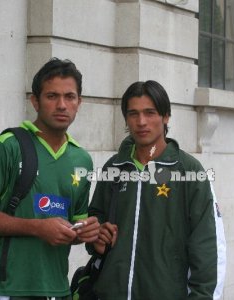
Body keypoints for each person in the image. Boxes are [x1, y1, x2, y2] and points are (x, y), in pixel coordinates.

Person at [0, 58, 100, 300]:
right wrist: (36, 228)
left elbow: (74, 228)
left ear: (79, 102)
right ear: (35, 101)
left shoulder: (82, 160)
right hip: (8, 288)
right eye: (51, 96)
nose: (62, 105)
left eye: (70, 97)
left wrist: (86, 232)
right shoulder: (6, 147)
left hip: (58, 289)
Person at [87, 80, 226, 300]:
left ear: (165, 116)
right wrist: (96, 239)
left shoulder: (189, 171)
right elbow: (94, 223)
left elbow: (208, 247)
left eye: (150, 113)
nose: (141, 121)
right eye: (133, 113)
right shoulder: (114, 167)